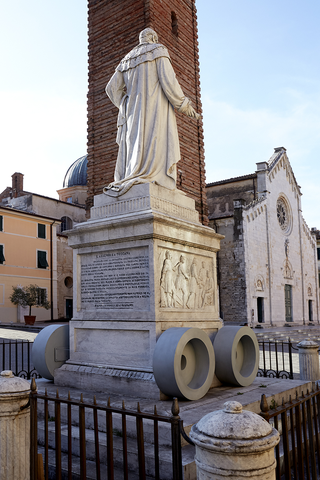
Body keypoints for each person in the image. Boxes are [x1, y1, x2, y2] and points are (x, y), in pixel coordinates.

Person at [104, 28, 200, 197]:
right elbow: (169, 82)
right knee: (156, 142)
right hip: (156, 110)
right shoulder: (159, 50)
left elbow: (111, 88)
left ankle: (136, 174)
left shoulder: (126, 60)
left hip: (133, 115)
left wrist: (125, 104)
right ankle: (154, 176)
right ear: (154, 38)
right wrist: (185, 106)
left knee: (135, 146)